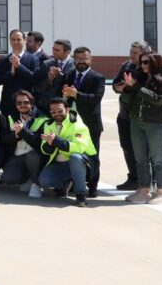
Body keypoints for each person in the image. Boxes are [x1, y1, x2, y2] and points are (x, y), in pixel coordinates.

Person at [123, 53, 162, 205]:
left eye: (146, 63)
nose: (143, 65)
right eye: (142, 62)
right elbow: (128, 99)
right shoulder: (141, 78)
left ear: (155, 63)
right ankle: (144, 190)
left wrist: (136, 86)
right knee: (140, 159)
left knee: (158, 159)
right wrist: (126, 88)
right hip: (137, 123)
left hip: (156, 125)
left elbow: (157, 100)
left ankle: (161, 192)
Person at [36, 97, 97, 207]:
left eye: (60, 110)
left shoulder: (78, 124)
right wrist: (49, 144)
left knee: (75, 157)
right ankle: (65, 184)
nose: (57, 114)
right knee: (44, 181)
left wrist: (56, 141)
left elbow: (79, 148)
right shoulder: (48, 124)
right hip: (61, 164)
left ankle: (81, 194)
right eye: (53, 112)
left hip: (84, 164)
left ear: (67, 110)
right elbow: (44, 149)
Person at [63, 46, 106, 197]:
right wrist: (65, 97)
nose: (81, 62)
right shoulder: (68, 75)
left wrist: (76, 94)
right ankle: (74, 183)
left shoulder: (97, 78)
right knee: (73, 154)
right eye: (78, 59)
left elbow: (95, 99)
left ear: (90, 59)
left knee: (92, 156)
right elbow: (64, 100)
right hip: (71, 125)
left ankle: (93, 186)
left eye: (84, 59)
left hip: (91, 125)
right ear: (74, 59)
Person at [112, 41, 152, 191]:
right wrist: (119, 88)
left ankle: (148, 180)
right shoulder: (126, 65)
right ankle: (133, 178)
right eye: (131, 51)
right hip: (124, 114)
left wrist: (128, 87)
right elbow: (115, 84)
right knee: (127, 147)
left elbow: (143, 88)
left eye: (135, 53)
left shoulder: (149, 68)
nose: (131, 55)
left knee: (143, 150)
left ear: (144, 54)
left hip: (140, 117)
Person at [1, 90, 48, 198]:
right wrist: (16, 135)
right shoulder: (11, 117)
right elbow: (4, 139)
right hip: (18, 155)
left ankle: (36, 184)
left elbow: (38, 142)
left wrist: (22, 132)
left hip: (35, 155)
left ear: (32, 104)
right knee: (8, 178)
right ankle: (28, 179)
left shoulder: (43, 119)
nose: (22, 105)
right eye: (19, 103)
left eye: (26, 102)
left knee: (32, 156)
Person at [0, 29, 39, 117]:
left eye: (18, 39)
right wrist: (11, 73)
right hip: (8, 104)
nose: (16, 42)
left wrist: (19, 66)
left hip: (25, 104)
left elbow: (34, 78)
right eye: (13, 39)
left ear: (24, 40)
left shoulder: (33, 59)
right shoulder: (3, 60)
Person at [33, 39, 74, 109]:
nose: (54, 52)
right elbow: (38, 88)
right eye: (53, 49)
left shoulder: (75, 65)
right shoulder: (46, 64)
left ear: (67, 52)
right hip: (48, 106)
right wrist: (49, 79)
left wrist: (60, 75)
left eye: (57, 50)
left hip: (68, 106)